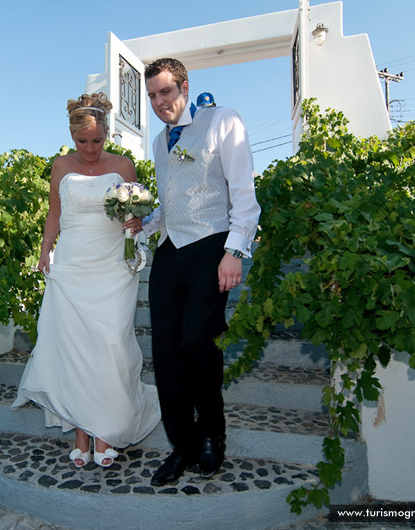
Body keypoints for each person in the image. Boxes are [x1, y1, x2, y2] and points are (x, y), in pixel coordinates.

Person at [11, 93, 160, 469]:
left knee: (109, 342)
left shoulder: (124, 166)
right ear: (72, 137)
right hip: (73, 262)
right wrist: (45, 249)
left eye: (97, 140)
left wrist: (136, 221)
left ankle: (106, 429)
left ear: (107, 133)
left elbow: (135, 212)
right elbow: (54, 214)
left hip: (112, 265)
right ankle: (82, 429)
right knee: (74, 346)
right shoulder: (60, 166)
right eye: (83, 141)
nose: (91, 149)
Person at [142, 58, 260, 486]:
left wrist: (235, 251)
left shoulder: (221, 121)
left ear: (184, 87)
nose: (159, 102)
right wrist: (146, 222)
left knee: (198, 342)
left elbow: (243, 192)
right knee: (167, 353)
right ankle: (182, 445)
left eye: (166, 92)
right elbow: (170, 200)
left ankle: (212, 434)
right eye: (152, 96)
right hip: (170, 252)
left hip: (212, 244)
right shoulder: (159, 142)